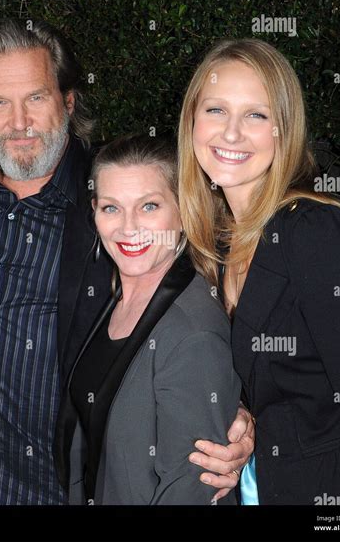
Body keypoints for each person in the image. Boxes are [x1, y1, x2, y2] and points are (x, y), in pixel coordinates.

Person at [0, 19, 253, 504]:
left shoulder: (109, 205)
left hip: (58, 491)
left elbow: (206, 301)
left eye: (36, 98)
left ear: (68, 102)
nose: (18, 123)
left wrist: (239, 414)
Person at [178, 38, 340, 505]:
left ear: (284, 130)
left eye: (256, 114)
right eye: (216, 110)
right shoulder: (214, 243)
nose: (231, 134)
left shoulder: (315, 232)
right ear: (192, 120)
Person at [54, 134, 241, 504]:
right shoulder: (117, 296)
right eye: (111, 208)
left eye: (149, 206)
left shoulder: (192, 333)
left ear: (184, 210)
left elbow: (190, 491)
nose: (128, 227)